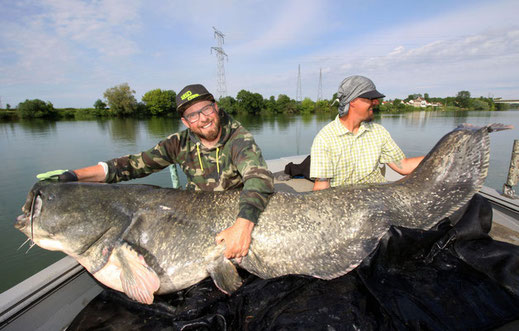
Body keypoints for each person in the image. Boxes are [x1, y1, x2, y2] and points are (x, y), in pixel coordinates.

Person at [37, 84, 274, 260]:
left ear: (216, 107)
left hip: (234, 214)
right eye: (193, 114)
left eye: (206, 109)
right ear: (185, 121)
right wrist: (73, 176)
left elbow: (258, 178)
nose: (203, 119)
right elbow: (132, 165)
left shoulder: (239, 138)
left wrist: (243, 225)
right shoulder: (178, 143)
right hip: (193, 215)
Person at [310, 75, 424, 191]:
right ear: (353, 100)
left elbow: (403, 166)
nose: (376, 102)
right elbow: (322, 188)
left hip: (379, 197)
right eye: (371, 98)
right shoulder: (325, 138)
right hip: (346, 203)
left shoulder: (378, 131)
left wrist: (441, 156)